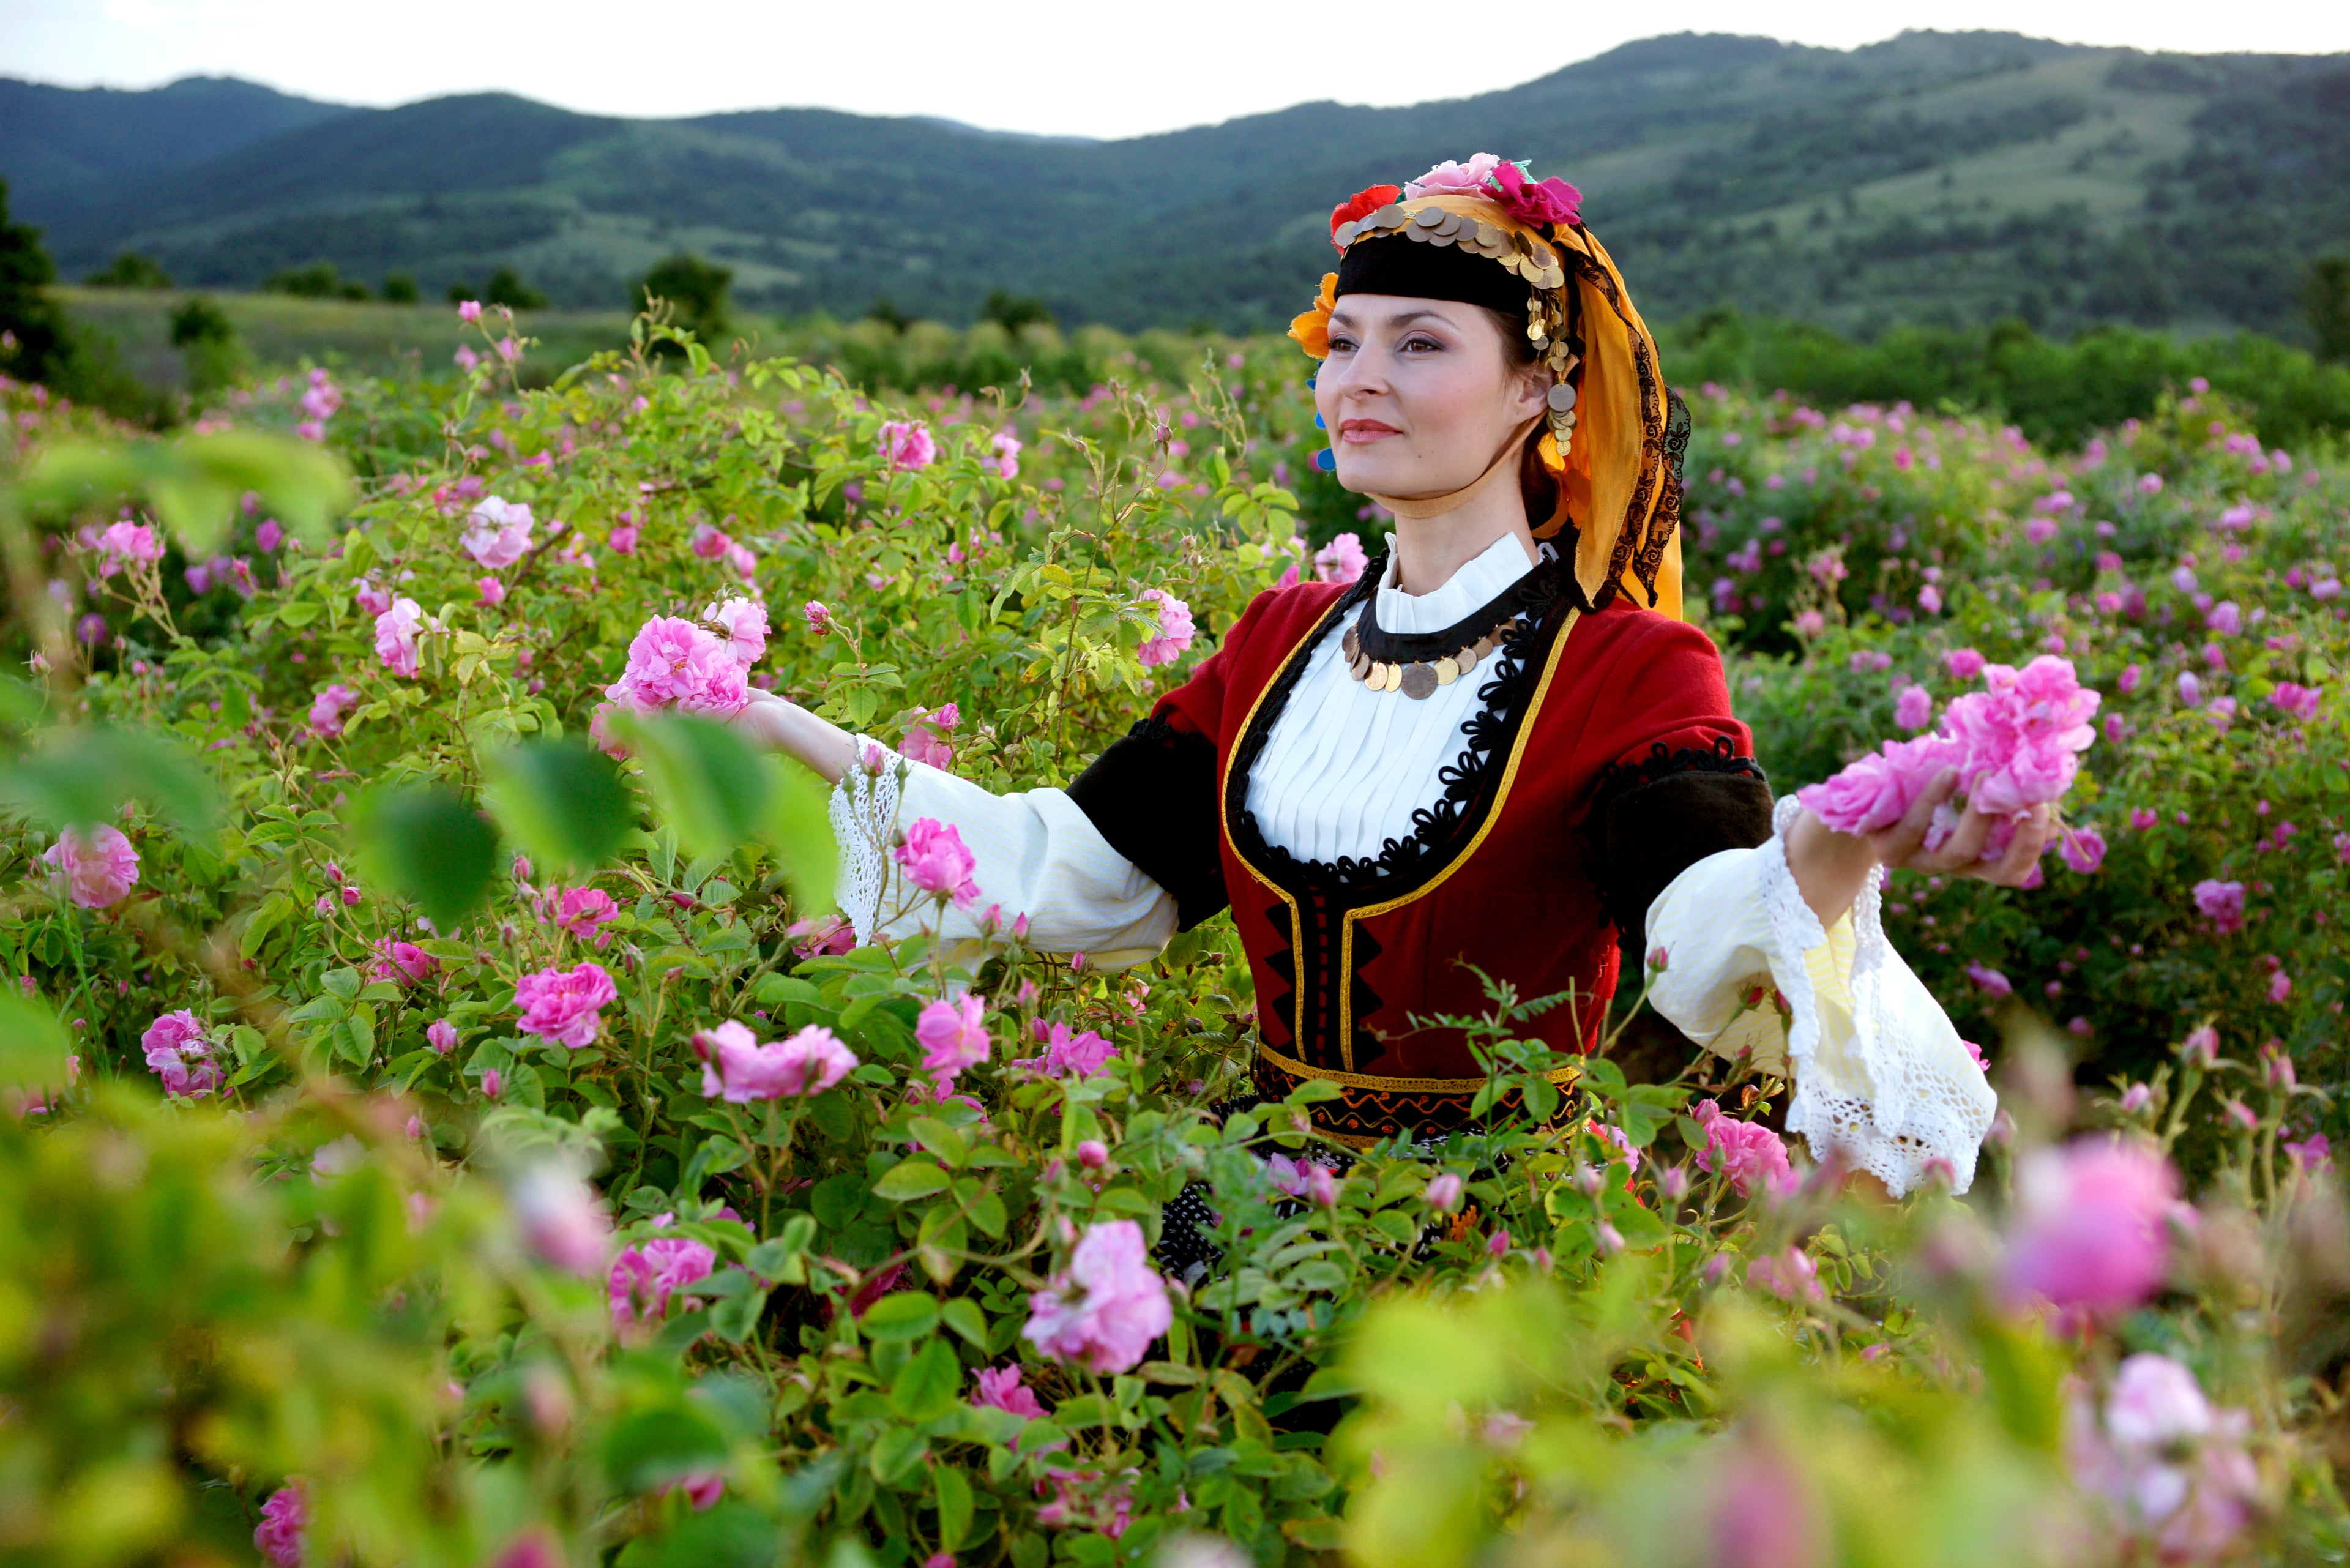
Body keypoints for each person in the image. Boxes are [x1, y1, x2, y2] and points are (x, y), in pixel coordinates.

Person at [733, 155, 2049, 1200]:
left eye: (1420, 345)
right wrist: (766, 723)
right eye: (1344, 342)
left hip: (1490, 1238)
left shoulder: (1628, 670)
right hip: (1240, 1199)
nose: (1361, 381)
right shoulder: (1278, 640)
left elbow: (1702, 932)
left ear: (1540, 388)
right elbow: (1073, 867)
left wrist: (1839, 836)